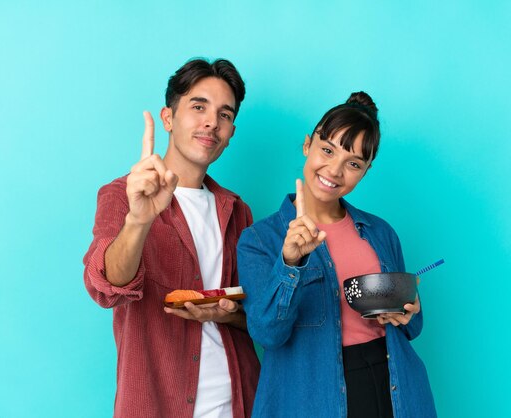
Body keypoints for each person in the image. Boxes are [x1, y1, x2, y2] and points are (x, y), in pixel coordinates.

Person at [237, 92, 437, 418]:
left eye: (354, 164)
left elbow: (413, 326)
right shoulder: (260, 239)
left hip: (394, 386)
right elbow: (267, 334)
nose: (335, 169)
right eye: (327, 150)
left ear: (366, 171)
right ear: (307, 145)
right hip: (314, 395)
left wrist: (409, 313)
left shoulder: (381, 232)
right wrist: (290, 263)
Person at [83, 58, 260, 418]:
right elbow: (105, 287)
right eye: (198, 106)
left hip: (240, 401)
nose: (212, 121)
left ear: (231, 132)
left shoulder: (237, 211)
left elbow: (253, 314)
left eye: (225, 115)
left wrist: (227, 314)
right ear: (168, 118)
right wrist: (139, 221)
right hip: (157, 402)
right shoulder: (121, 195)